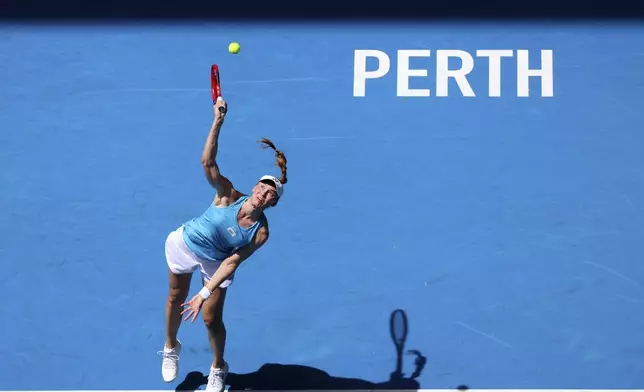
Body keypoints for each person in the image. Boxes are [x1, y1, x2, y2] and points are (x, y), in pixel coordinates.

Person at [158, 97, 287, 392]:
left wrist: (204, 292)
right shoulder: (228, 194)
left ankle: (218, 367)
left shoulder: (260, 233)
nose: (264, 194)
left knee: (210, 319)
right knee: (175, 298)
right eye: (263, 188)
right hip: (185, 243)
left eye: (271, 195)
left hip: (217, 263)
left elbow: (231, 262)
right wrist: (218, 121)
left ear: (273, 204)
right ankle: (170, 347)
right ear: (255, 187)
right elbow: (208, 162)